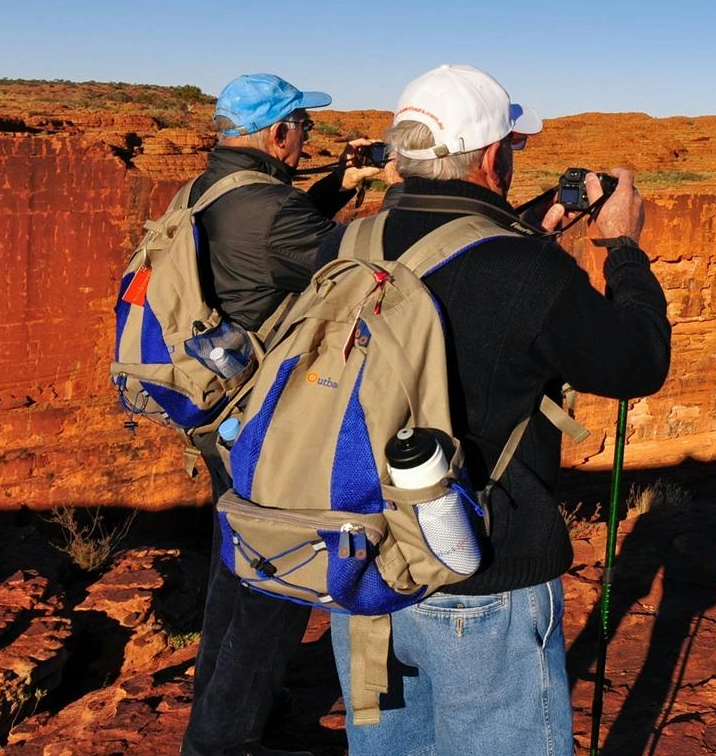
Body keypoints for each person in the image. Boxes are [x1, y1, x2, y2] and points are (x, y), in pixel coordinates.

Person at [324, 63, 672, 755]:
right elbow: (636, 364)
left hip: (362, 563)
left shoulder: (345, 244)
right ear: (491, 156)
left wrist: (531, 232)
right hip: (481, 574)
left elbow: (448, 275)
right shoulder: (524, 271)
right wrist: (622, 247)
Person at [183, 73, 388, 756]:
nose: (309, 140)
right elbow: (353, 265)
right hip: (262, 422)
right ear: (277, 133)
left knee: (235, 567)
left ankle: (217, 716)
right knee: (275, 577)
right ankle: (226, 741)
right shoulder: (273, 209)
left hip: (215, 411)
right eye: (304, 128)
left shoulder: (207, 187)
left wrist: (342, 180)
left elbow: (275, 229)